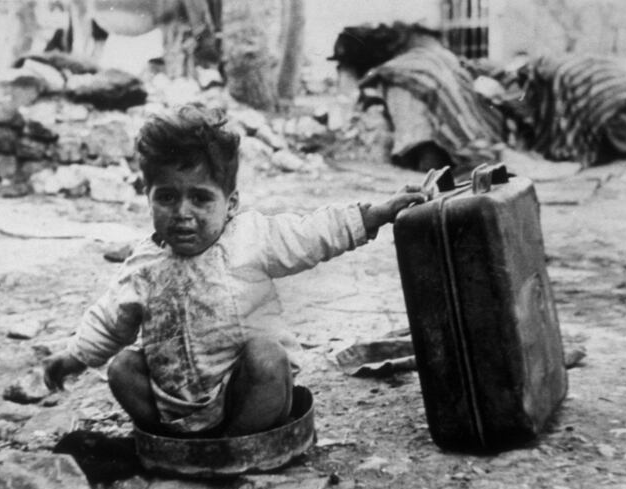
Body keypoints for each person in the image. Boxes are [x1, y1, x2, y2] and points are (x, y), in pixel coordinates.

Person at [43, 104, 428, 437]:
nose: (182, 213)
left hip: (246, 395)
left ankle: (235, 441)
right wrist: (73, 357)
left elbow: (311, 235)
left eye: (200, 198)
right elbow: (110, 321)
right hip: (175, 402)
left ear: (230, 204)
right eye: (166, 197)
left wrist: (374, 215)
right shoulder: (143, 265)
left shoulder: (250, 237)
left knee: (266, 356)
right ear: (147, 197)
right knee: (122, 368)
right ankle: (176, 441)